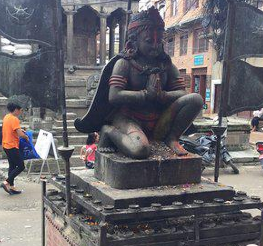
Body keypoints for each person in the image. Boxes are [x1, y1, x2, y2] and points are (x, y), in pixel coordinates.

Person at [74, 7, 203, 159]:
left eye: (158, 41)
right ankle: (109, 131)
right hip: (129, 118)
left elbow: (182, 93)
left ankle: (172, 138)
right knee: (140, 150)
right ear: (133, 42)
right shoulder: (124, 64)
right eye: (149, 41)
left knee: (195, 99)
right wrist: (145, 95)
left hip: (159, 120)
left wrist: (162, 95)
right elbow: (114, 96)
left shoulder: (166, 65)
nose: (155, 45)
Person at [0, 102, 29, 195]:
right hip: (12, 146)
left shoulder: (6, 117)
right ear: (16, 109)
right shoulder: (14, 119)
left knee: (12, 166)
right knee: (21, 166)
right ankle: (6, 182)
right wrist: (26, 137)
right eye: (20, 110)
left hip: (6, 145)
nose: (20, 112)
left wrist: (21, 131)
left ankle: (12, 187)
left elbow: (14, 130)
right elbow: (20, 134)